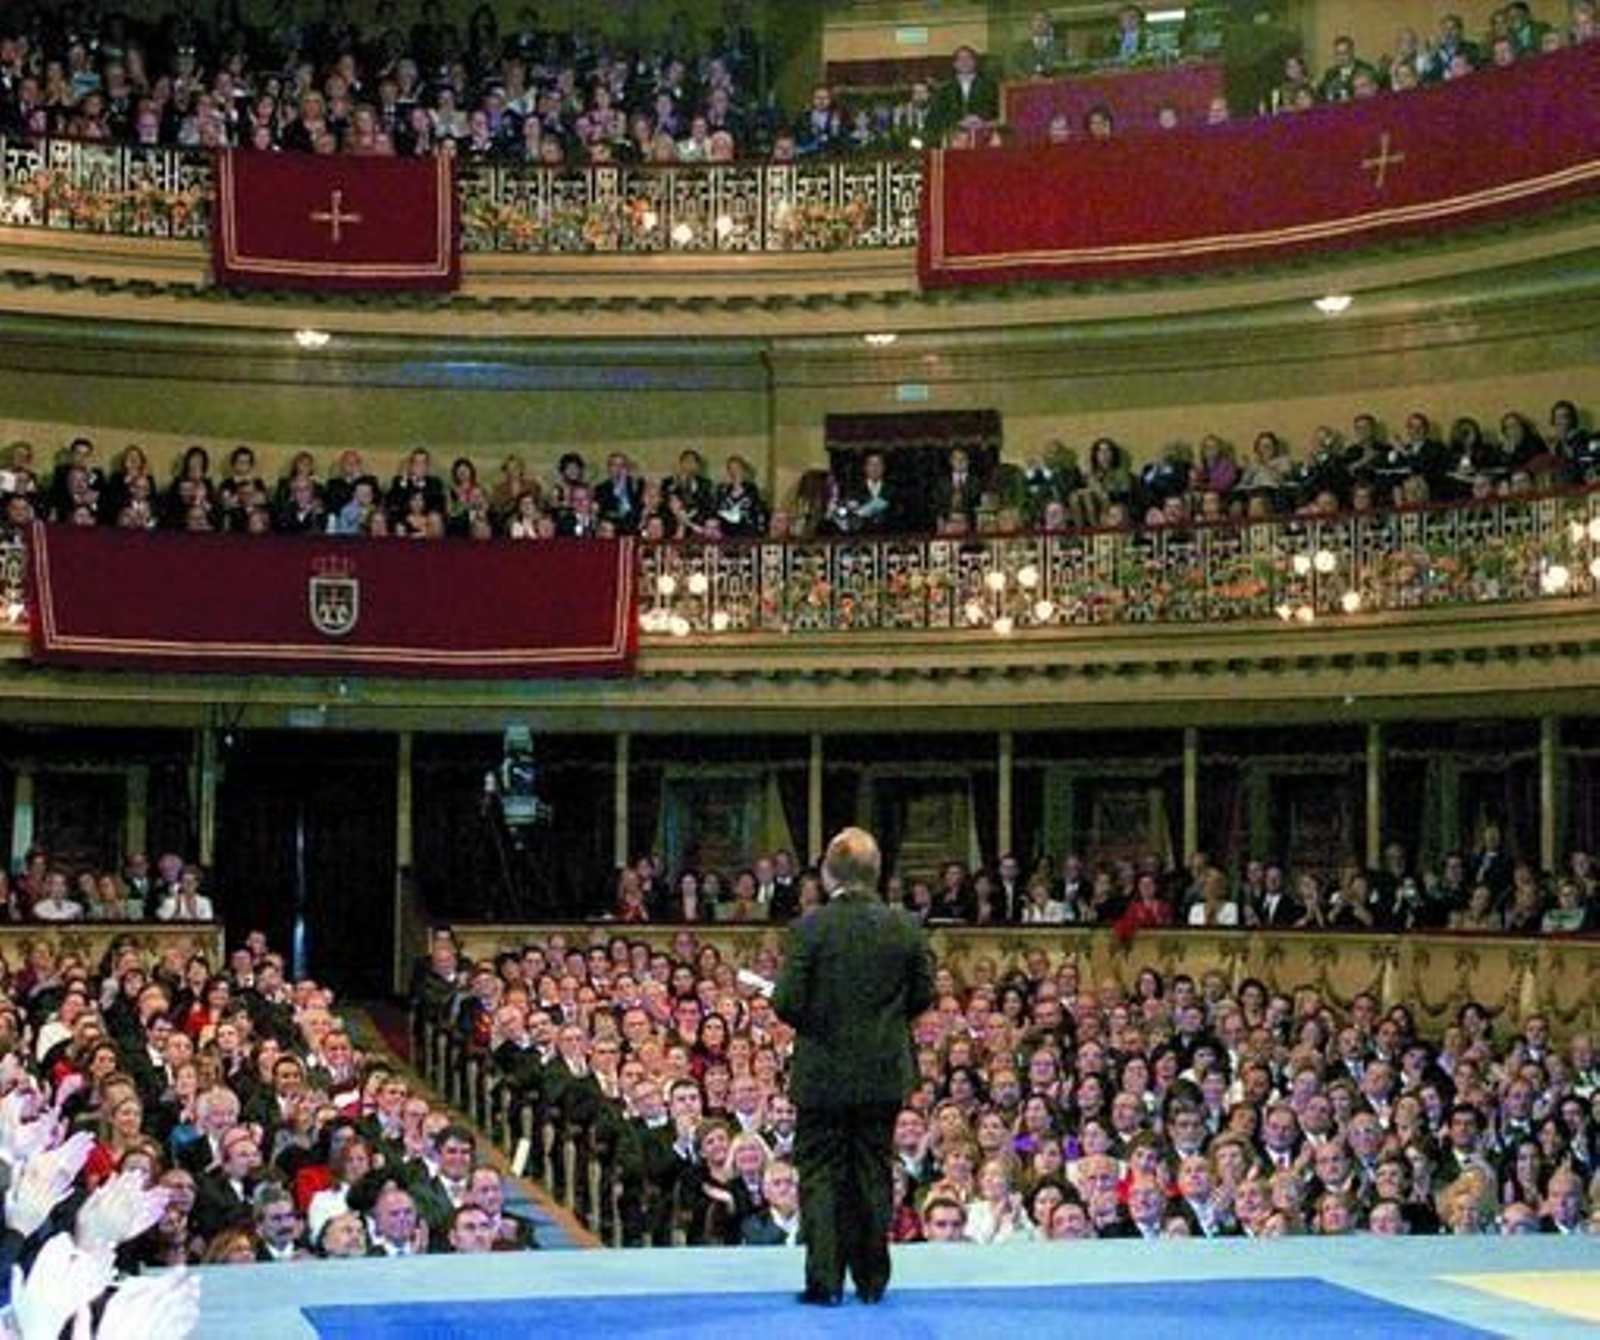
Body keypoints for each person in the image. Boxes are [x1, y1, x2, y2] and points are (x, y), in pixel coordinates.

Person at [773, 827, 934, 1306]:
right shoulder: (905, 926)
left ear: (826, 875)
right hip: (882, 1072)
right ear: (876, 872)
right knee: (872, 1170)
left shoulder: (810, 928)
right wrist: (880, 1028)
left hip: (822, 1073)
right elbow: (923, 996)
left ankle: (824, 1282)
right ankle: (871, 1280)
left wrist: (826, 1024)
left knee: (821, 1173)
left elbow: (785, 1002)